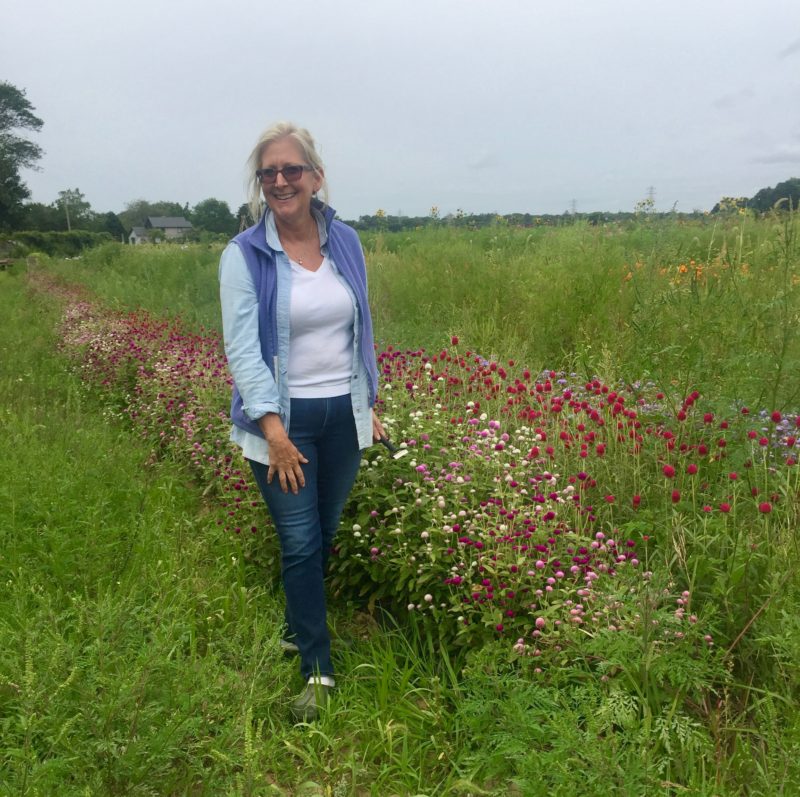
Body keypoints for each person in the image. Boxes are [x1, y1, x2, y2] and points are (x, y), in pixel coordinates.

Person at [219, 121, 383, 721]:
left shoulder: (346, 241)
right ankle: (318, 670)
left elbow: (359, 327)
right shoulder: (244, 255)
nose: (281, 181)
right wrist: (273, 431)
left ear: (315, 177)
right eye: (269, 173)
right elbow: (242, 350)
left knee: (327, 530)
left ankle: (295, 624)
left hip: (342, 412)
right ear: (260, 185)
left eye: (292, 170)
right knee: (300, 539)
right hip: (281, 422)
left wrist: (370, 404)